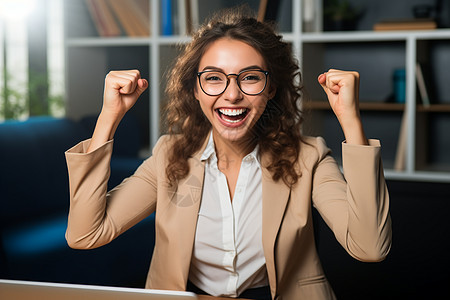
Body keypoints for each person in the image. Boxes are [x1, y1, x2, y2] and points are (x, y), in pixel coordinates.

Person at [65, 7, 392, 300]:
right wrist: (109, 117)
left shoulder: (308, 157)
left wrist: (351, 120)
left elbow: (370, 247)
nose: (231, 95)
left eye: (250, 78)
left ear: (271, 88)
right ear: (195, 89)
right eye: (213, 78)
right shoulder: (169, 156)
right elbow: (85, 234)